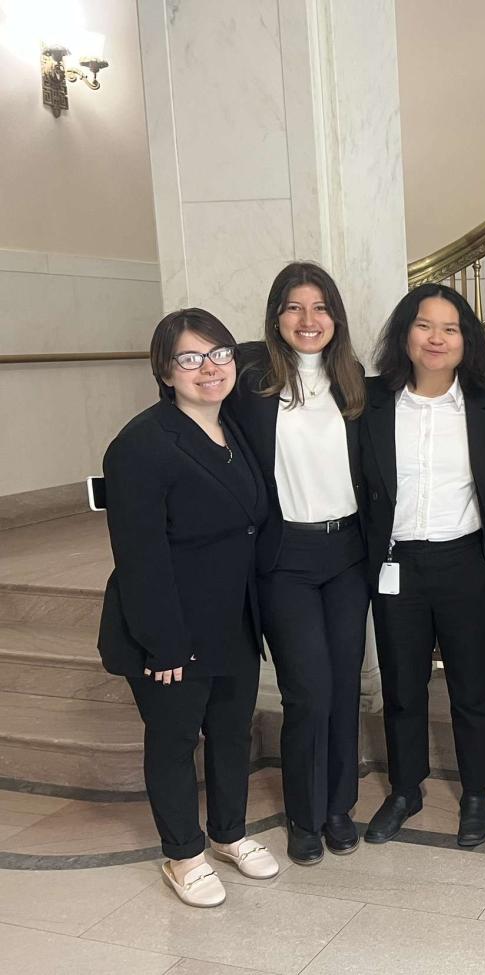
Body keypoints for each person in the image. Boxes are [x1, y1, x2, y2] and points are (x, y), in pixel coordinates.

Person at [98, 309, 280, 908]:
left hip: (233, 619)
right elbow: (140, 554)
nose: (210, 368)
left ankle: (228, 833)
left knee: (230, 734)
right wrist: (166, 643)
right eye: (190, 358)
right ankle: (182, 852)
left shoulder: (235, 428)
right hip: (171, 627)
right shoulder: (142, 444)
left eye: (220, 353)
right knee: (175, 741)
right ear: (165, 369)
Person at [226, 262, 369, 866]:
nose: (308, 321)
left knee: (342, 688)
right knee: (307, 691)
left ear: (336, 316)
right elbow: (178, 384)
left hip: (348, 554)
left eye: (319, 308)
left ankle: (339, 808)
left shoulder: (356, 382)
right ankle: (303, 816)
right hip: (284, 554)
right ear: (275, 317)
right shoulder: (250, 381)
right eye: (293, 308)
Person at [358, 283, 485, 847]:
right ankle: (405, 789)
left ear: (466, 340)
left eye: (451, 328)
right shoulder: (370, 403)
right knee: (402, 685)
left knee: (473, 685)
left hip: (464, 561)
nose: (437, 337)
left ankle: (475, 791)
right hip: (397, 565)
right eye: (425, 325)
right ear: (405, 333)